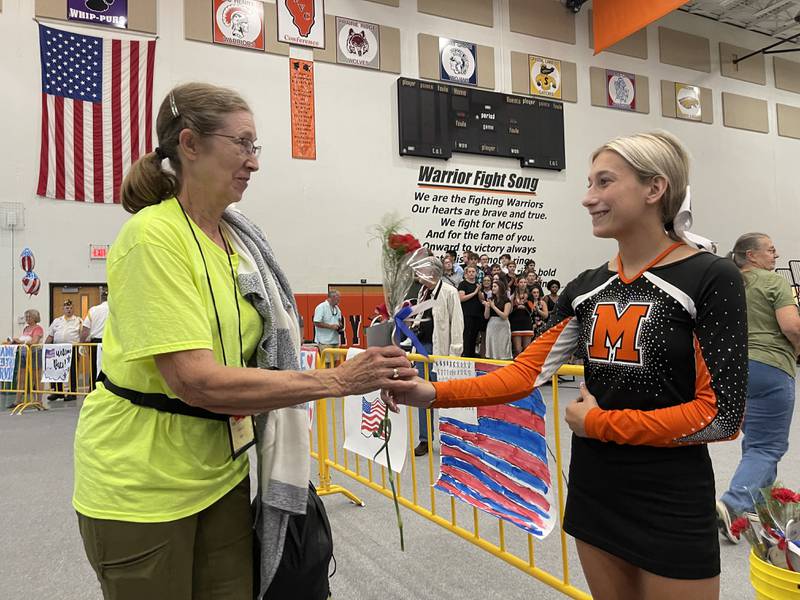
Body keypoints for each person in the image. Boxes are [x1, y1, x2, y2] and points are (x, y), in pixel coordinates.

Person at [72, 83, 416, 600]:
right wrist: (337, 379)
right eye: (243, 144)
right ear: (190, 145)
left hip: (223, 476)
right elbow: (194, 380)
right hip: (142, 487)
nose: (254, 162)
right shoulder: (152, 237)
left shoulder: (237, 241)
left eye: (257, 148)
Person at [385, 131, 747, 600]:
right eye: (588, 183)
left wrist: (601, 423)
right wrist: (433, 394)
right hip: (596, 490)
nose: (587, 198)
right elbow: (522, 373)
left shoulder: (710, 276)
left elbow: (721, 417)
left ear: (654, 189)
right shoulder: (585, 287)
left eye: (603, 182)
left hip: (670, 496)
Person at [716, 233, 800, 543]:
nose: (776, 254)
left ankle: (761, 512)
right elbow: (791, 325)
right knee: (768, 446)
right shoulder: (773, 282)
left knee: (758, 443)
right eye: (770, 249)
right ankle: (732, 504)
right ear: (751, 255)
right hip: (770, 367)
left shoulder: (728, 282)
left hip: (734, 369)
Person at [411, 257, 464, 457]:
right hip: (422, 347)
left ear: (432, 273)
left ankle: (449, 440)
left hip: (441, 350)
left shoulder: (449, 292)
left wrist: (454, 355)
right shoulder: (422, 293)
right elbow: (419, 319)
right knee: (421, 395)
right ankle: (425, 439)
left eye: (422, 270)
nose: (418, 274)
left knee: (443, 396)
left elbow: (457, 324)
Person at [46, 299, 82, 401]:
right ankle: (58, 392)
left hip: (72, 348)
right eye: (67, 308)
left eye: (71, 308)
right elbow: (50, 335)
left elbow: (82, 334)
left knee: (72, 371)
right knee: (57, 370)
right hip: (58, 349)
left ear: (73, 308)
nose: (69, 310)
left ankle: (72, 392)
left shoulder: (78, 321)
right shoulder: (57, 321)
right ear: (63, 309)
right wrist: (45, 346)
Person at [80, 289, 109, 390]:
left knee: (94, 367)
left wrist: (81, 343)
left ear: (101, 298)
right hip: (111, 342)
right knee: (110, 367)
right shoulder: (115, 309)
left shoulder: (93, 310)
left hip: (95, 343)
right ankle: (108, 390)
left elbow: (85, 330)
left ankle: (93, 389)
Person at [482, 278, 512, 360]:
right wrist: (487, 307)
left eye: (495, 286)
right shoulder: (491, 299)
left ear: (500, 287)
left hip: (502, 326)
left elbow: (505, 316)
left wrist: (493, 307)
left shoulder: (507, 300)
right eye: (492, 286)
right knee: (492, 348)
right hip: (492, 324)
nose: (493, 288)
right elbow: (486, 316)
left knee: (502, 347)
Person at [458, 266, 483, 359]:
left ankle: (472, 356)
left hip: (477, 314)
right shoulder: (463, 284)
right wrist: (474, 292)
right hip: (466, 314)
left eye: (473, 271)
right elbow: (461, 298)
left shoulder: (478, 284)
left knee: (474, 336)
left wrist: (479, 291)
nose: (472, 273)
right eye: (470, 272)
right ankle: (466, 355)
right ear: (466, 274)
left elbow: (481, 299)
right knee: (467, 336)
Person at [509, 280, 534, 356]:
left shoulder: (530, 295)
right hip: (515, 322)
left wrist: (524, 307)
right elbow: (509, 307)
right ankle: (517, 365)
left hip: (526, 322)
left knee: (526, 348)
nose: (523, 284)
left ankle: (525, 365)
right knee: (517, 348)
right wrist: (516, 306)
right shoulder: (513, 295)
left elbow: (532, 309)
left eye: (525, 282)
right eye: (521, 282)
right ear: (517, 284)